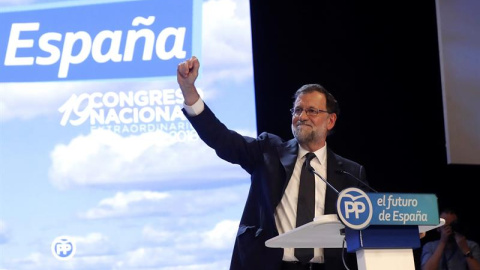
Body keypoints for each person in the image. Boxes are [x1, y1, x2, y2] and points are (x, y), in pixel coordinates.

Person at [177, 56, 370, 270]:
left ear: (330, 120)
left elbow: (373, 220)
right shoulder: (268, 151)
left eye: (312, 111)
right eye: (297, 110)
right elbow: (222, 139)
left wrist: (409, 228)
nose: (302, 116)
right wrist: (189, 91)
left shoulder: (350, 173)